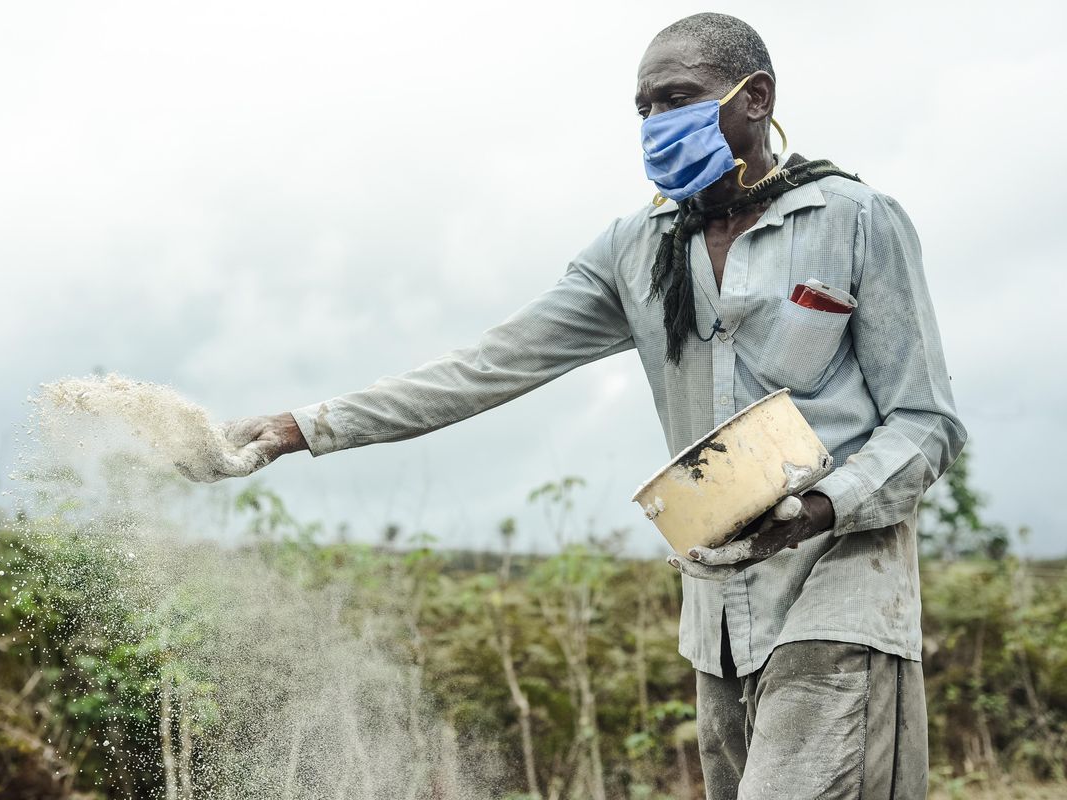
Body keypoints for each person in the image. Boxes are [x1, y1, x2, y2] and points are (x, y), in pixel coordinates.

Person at [181, 12, 966, 800]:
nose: (657, 123)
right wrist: (299, 427)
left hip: (841, 591)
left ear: (753, 98)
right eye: (644, 108)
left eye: (678, 98)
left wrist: (819, 508)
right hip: (721, 618)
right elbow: (489, 365)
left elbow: (926, 422)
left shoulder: (856, 219)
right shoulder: (638, 248)